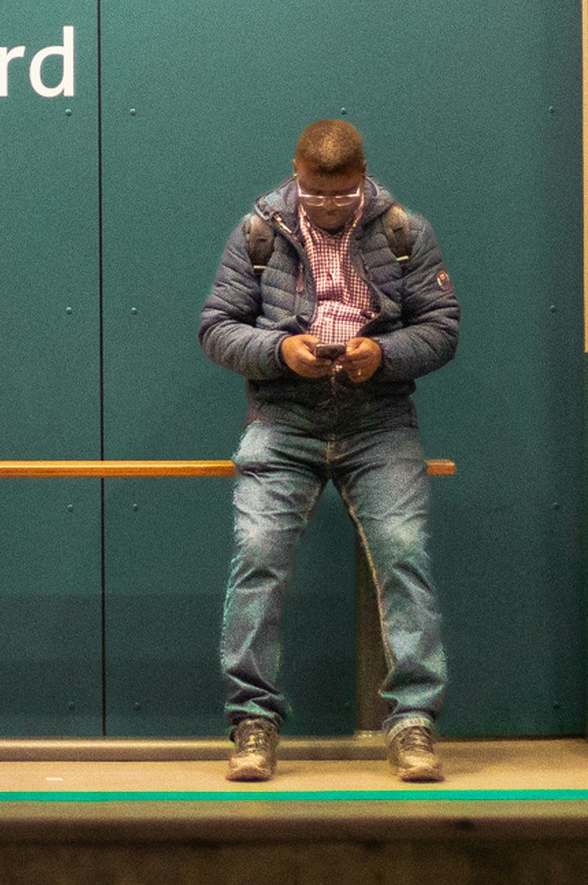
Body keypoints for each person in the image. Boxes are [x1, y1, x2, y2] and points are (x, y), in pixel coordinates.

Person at [197, 119, 459, 784]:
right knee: (256, 556)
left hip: (379, 419)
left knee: (403, 553)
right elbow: (216, 327)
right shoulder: (258, 230)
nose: (329, 208)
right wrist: (281, 351)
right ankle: (251, 720)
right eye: (316, 196)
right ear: (295, 173)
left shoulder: (405, 230)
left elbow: (440, 327)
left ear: (363, 177)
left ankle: (412, 722)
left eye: (342, 197)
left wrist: (385, 354)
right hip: (283, 417)